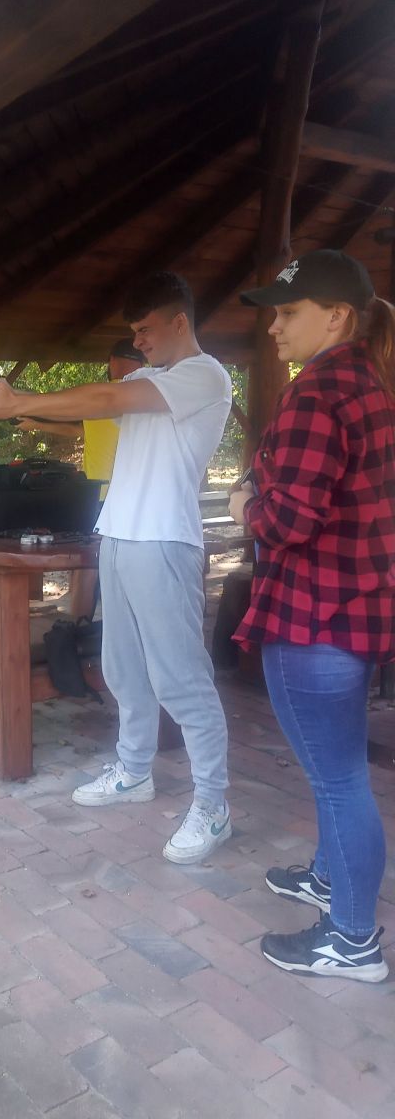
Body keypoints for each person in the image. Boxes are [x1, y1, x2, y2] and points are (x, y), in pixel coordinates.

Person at [0, 272, 234, 864]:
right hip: (118, 536)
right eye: (133, 332)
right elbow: (95, 405)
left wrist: (20, 401)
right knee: (122, 668)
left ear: (179, 322)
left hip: (163, 540)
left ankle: (213, 805)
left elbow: (109, 399)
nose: (138, 341)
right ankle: (134, 770)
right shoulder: (145, 379)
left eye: (145, 329)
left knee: (181, 680)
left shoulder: (205, 375)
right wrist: (27, 411)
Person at [229, 249, 395, 982]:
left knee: (339, 780)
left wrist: (244, 502)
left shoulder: (318, 391)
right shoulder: (373, 383)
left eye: (289, 312)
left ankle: (353, 942)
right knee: (341, 768)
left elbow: (287, 521)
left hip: (312, 616)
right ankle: (329, 878)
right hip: (356, 609)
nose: (274, 327)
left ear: (337, 317)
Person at [18, 340, 148, 618]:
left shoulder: (105, 397)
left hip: (101, 498)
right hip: (125, 499)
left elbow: (67, 412)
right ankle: (111, 629)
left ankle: (77, 629)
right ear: (142, 363)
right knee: (120, 568)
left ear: (111, 361)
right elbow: (81, 430)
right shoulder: (139, 398)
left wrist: (22, 405)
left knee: (88, 566)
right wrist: (36, 422)